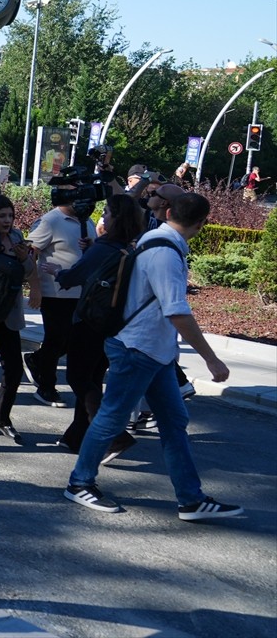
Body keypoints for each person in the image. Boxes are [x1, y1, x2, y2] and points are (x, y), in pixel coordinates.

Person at [65, 193, 243, 521]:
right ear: (203, 224)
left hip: (152, 351)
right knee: (111, 418)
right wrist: (211, 359)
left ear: (170, 211)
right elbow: (177, 311)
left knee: (173, 422)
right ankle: (79, 482)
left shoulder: (153, 239)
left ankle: (190, 499)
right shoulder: (166, 252)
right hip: (138, 348)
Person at [44, 194, 144, 457]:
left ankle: (114, 435)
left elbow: (73, 277)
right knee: (92, 381)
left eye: (108, 214)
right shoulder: (126, 248)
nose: (103, 218)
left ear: (117, 218)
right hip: (110, 324)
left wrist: (56, 271)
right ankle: (76, 437)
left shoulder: (103, 248)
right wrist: (92, 250)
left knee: (78, 378)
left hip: (88, 321)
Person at [25, 195, 96, 407]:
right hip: (54, 293)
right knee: (56, 339)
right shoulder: (50, 221)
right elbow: (30, 253)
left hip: (81, 293)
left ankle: (37, 360)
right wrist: (35, 288)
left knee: (71, 341)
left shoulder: (87, 221)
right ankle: (46, 387)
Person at [0, 194, 37, 443]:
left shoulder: (16, 238)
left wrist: (24, 259)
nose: (7, 220)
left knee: (13, 368)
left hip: (7, 313)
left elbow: (28, 272)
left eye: (10, 216)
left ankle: (3, 418)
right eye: (1, 216)